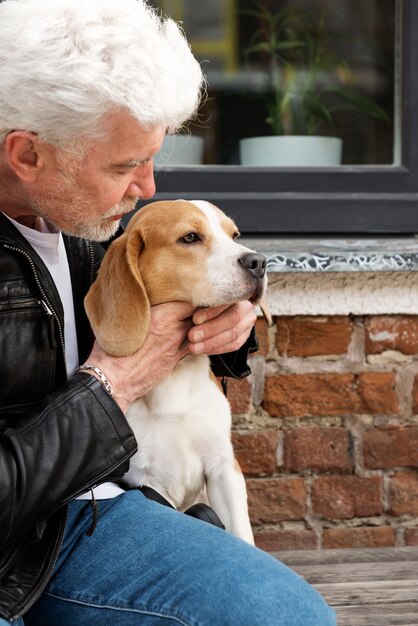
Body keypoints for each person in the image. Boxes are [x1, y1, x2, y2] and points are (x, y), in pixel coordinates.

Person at [0, 0, 336, 624]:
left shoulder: (82, 217)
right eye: (126, 165)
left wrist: (221, 334)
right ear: (28, 156)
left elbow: (142, 298)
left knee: (284, 614)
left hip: (93, 513)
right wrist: (118, 381)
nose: (147, 188)